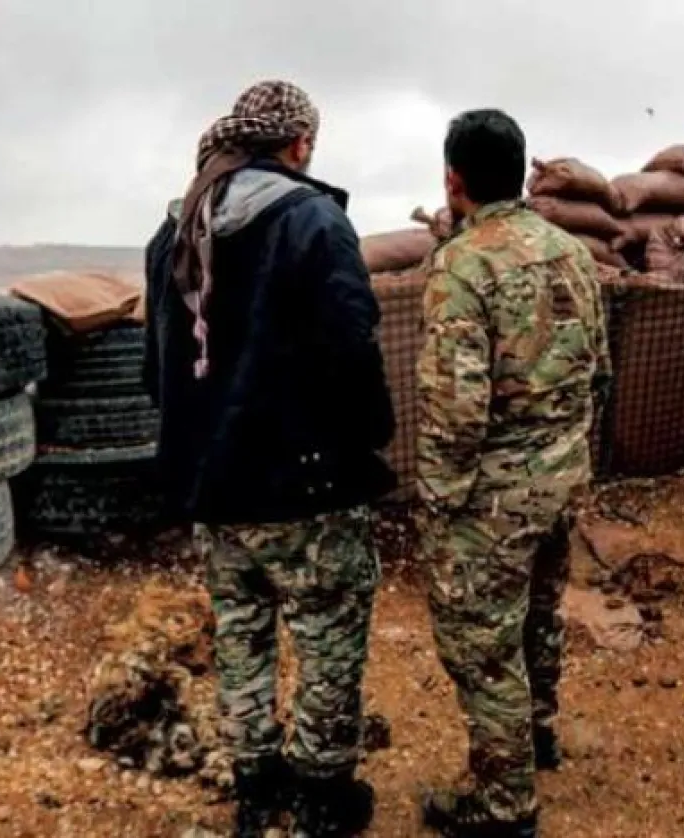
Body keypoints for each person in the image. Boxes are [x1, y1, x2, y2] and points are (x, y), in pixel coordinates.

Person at [142, 80, 396, 838]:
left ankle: (255, 791)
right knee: (326, 639)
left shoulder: (175, 231)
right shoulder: (313, 220)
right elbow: (354, 345)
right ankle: (322, 797)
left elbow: (154, 368)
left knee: (242, 634)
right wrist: (368, 440)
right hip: (307, 487)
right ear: (299, 147)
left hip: (215, 490)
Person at [415, 109, 611, 838]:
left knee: (482, 646)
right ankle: (535, 738)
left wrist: (439, 497)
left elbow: (456, 408)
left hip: (491, 501)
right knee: (538, 616)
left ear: (453, 179)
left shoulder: (462, 265)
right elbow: (600, 372)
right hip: (561, 479)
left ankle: (503, 805)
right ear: (524, 173)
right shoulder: (573, 252)